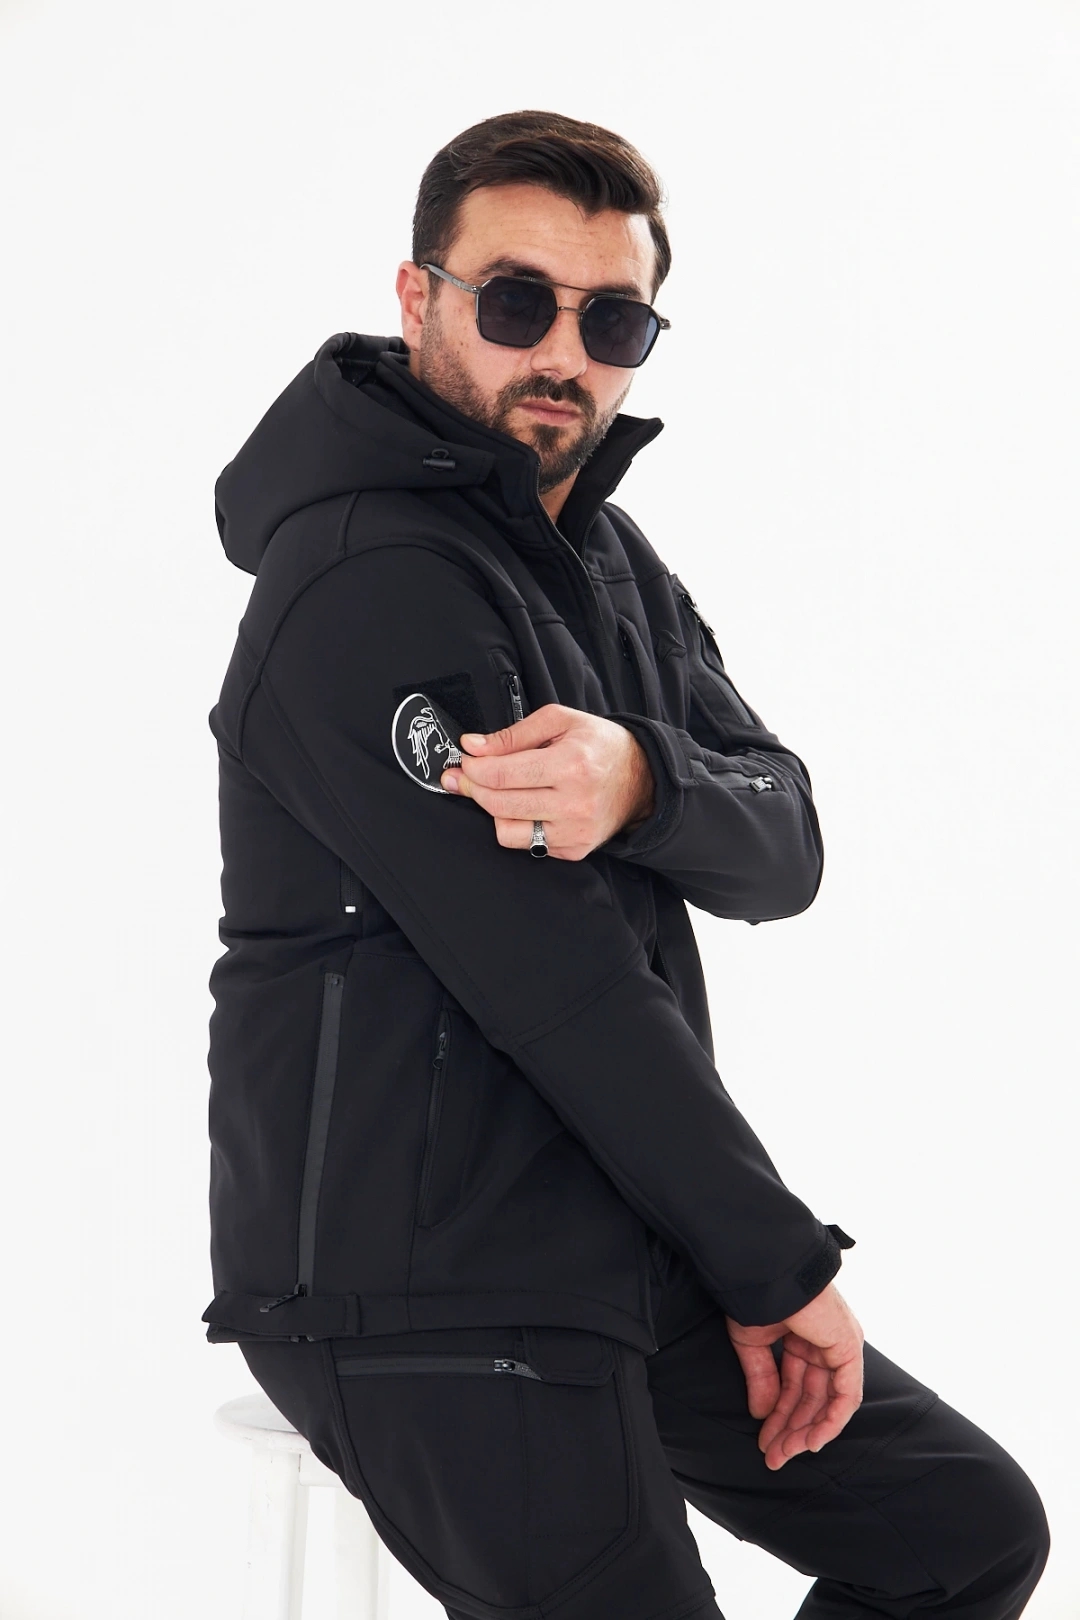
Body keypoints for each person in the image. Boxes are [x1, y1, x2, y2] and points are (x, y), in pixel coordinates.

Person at [201, 110, 1050, 1619]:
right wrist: (777, 1269)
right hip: (421, 1280)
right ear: (418, 297)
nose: (563, 355)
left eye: (612, 321)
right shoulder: (367, 583)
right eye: (517, 301)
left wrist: (644, 779)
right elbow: (561, 985)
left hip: (611, 1243)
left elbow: (783, 844)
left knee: (963, 1537)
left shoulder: (611, 563)